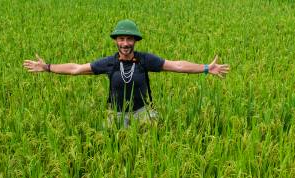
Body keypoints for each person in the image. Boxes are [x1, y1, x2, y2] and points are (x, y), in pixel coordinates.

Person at [23, 19, 229, 127]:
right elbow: (76, 69)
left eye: (129, 39)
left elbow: (177, 66)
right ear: (116, 41)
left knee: (154, 142)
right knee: (111, 144)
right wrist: (47, 67)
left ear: (135, 41)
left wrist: (205, 68)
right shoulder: (109, 63)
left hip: (143, 113)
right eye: (121, 39)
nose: (125, 43)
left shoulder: (145, 60)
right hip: (117, 114)